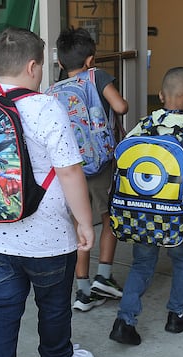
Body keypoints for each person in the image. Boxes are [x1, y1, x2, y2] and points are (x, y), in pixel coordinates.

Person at [0, 27, 96, 357]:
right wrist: (84, 222)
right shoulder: (46, 108)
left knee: (1, 315)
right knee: (54, 305)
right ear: (32, 67)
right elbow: (69, 171)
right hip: (46, 236)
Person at [109, 67, 183, 346]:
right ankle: (177, 314)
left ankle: (125, 321)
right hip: (174, 214)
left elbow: (125, 154)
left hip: (141, 211)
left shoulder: (145, 124)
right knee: (182, 259)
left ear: (160, 95)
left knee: (142, 263)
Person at [54, 27, 129, 311]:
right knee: (110, 217)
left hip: (71, 168)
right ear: (91, 59)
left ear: (61, 63)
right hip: (99, 166)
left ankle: (83, 290)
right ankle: (104, 277)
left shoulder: (54, 88)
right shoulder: (97, 77)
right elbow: (120, 107)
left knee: (80, 226)